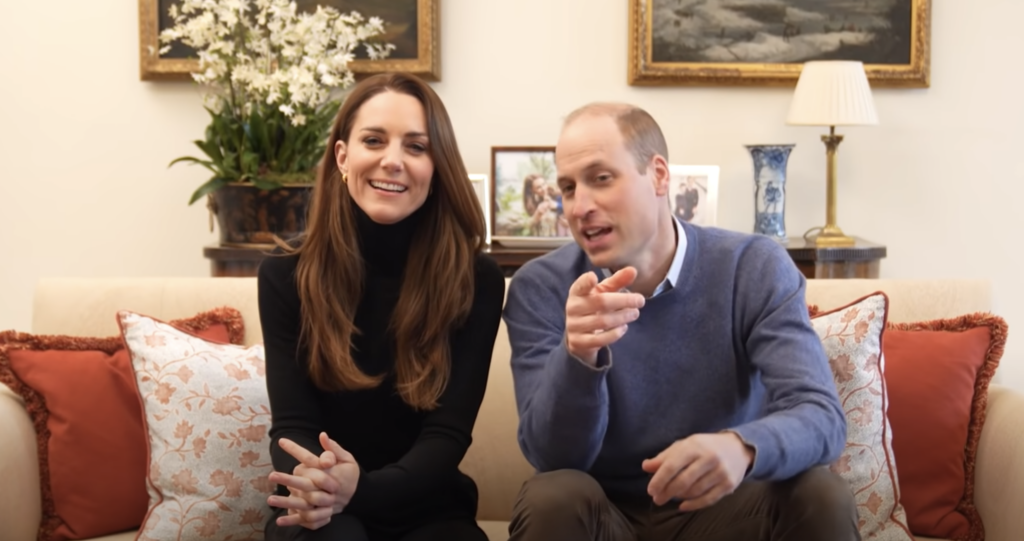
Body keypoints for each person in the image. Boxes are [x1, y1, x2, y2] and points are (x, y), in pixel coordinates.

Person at [502, 102, 858, 541]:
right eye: (569, 187)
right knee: (551, 495)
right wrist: (578, 356)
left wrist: (742, 446)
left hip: (723, 514)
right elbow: (551, 456)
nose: (579, 206)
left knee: (820, 493)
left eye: (600, 178)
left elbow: (821, 416)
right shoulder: (541, 287)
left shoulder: (751, 266)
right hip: (605, 517)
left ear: (659, 175)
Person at [257, 72, 505, 541]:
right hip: (322, 508)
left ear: (438, 166)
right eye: (374, 140)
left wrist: (362, 490)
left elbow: (447, 436)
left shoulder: (476, 279)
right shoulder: (284, 272)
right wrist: (326, 486)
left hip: (427, 505)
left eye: (416, 147)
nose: (393, 161)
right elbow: (292, 426)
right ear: (342, 156)